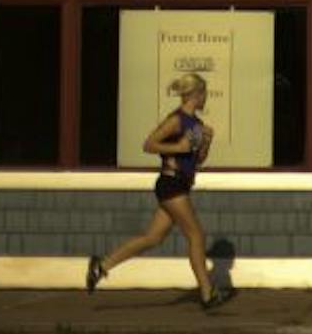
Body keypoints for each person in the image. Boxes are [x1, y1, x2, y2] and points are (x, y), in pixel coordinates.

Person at [86, 72, 228, 309]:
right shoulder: (177, 120)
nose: (206, 99)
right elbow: (149, 144)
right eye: (204, 94)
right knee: (196, 236)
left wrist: (206, 143)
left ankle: (101, 266)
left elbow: (197, 160)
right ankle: (207, 292)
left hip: (181, 183)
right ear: (196, 94)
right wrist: (179, 146)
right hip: (170, 183)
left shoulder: (197, 125)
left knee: (152, 238)